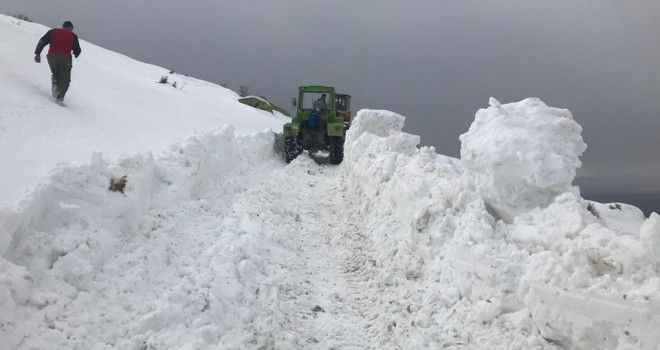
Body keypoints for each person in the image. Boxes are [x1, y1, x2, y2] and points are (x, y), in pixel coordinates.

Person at [34, 21, 81, 105]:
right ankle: (60, 97)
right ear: (70, 28)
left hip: (51, 56)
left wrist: (37, 53)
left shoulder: (52, 31)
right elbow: (77, 50)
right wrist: (76, 53)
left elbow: (42, 41)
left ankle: (55, 87)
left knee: (56, 73)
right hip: (65, 58)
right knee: (65, 79)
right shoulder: (72, 36)